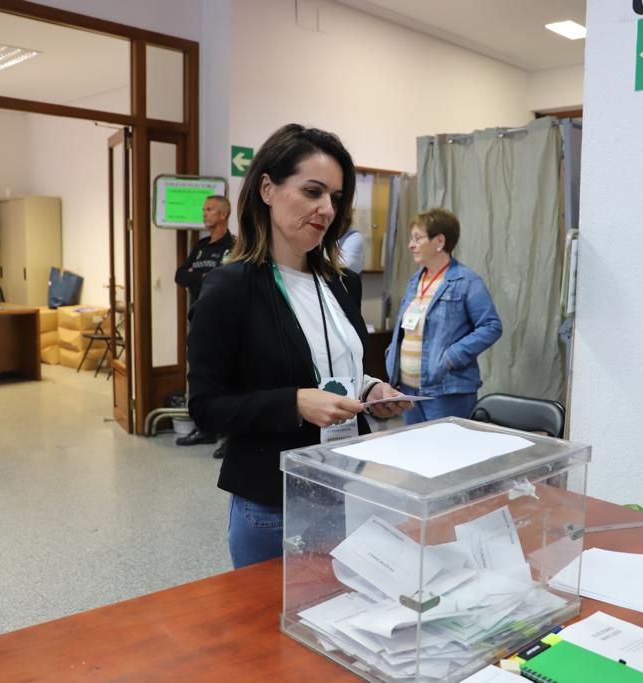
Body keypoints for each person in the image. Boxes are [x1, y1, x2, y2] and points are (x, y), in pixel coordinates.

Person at [186, 124, 410, 569]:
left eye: (335, 197)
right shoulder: (230, 288)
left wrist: (369, 391)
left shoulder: (340, 282)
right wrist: (294, 403)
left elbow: (335, 367)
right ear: (267, 188)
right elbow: (206, 407)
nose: (327, 209)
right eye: (312, 192)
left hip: (348, 488)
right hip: (274, 503)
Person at [385, 208, 502, 424]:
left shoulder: (466, 281)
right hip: (408, 389)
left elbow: (491, 326)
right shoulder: (414, 281)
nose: (411, 245)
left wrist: (451, 357)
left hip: (446, 390)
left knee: (447, 454)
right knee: (416, 453)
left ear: (439, 241)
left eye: (417, 239)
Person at [174, 195, 234, 449]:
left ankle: (229, 436)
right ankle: (204, 428)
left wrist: (197, 277)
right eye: (203, 209)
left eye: (209, 209)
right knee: (200, 375)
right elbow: (180, 275)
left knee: (228, 376)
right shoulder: (200, 246)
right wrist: (203, 277)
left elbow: (222, 281)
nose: (204, 214)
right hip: (197, 319)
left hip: (223, 321)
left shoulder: (233, 246)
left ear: (223, 214)